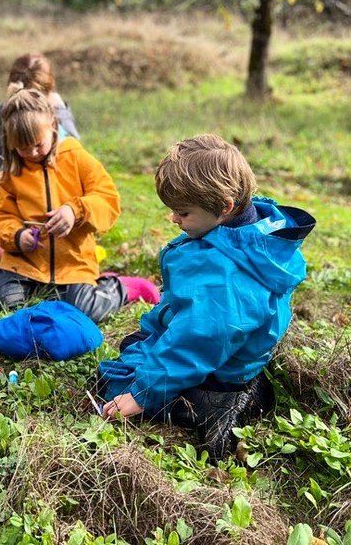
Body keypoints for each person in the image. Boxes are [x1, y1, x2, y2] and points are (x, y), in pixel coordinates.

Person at [96, 134, 315, 462]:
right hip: (227, 350)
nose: (174, 219)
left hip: (218, 366)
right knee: (135, 343)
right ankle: (236, 390)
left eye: (182, 212)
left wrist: (142, 394)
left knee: (111, 383)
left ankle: (219, 406)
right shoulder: (249, 231)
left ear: (224, 207)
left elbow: (201, 339)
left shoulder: (223, 275)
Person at [0, 86, 127, 322]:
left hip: (72, 264)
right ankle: (46, 293)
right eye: (23, 148)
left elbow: (108, 199)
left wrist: (75, 211)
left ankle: (118, 287)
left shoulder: (77, 158)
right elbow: (0, 216)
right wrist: (18, 237)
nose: (32, 153)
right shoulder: (12, 172)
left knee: (86, 311)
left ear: (52, 124)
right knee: (3, 301)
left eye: (37, 144)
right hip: (25, 264)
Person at [0, 53, 79, 260]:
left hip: (36, 203)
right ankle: (7, 233)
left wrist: (62, 111)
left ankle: (21, 240)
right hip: (4, 195)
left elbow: (74, 150)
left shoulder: (56, 117)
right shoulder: (3, 113)